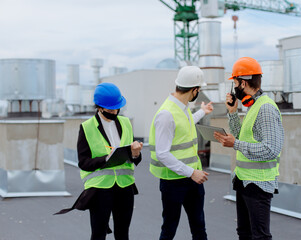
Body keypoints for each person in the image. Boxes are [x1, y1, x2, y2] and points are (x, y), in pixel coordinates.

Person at [55, 82, 143, 240]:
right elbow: (83, 162)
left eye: (117, 108)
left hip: (125, 186)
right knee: (98, 234)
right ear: (99, 107)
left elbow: (133, 157)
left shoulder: (126, 123)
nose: (115, 112)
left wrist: (135, 153)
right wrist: (106, 159)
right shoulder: (87, 127)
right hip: (100, 188)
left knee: (123, 234)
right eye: (110, 109)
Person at [214, 57, 284, 240]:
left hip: (259, 184)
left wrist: (235, 144)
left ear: (243, 83)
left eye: (235, 83)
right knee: (244, 233)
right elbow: (241, 137)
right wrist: (232, 112)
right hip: (245, 181)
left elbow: (271, 149)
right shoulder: (253, 106)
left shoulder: (266, 108)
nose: (234, 88)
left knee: (259, 236)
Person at [149, 66, 214, 240]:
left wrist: (202, 111)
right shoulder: (166, 114)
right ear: (194, 90)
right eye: (199, 90)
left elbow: (185, 123)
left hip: (192, 179)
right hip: (174, 182)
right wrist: (192, 172)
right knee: (169, 229)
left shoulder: (182, 108)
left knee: (199, 227)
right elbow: (162, 154)